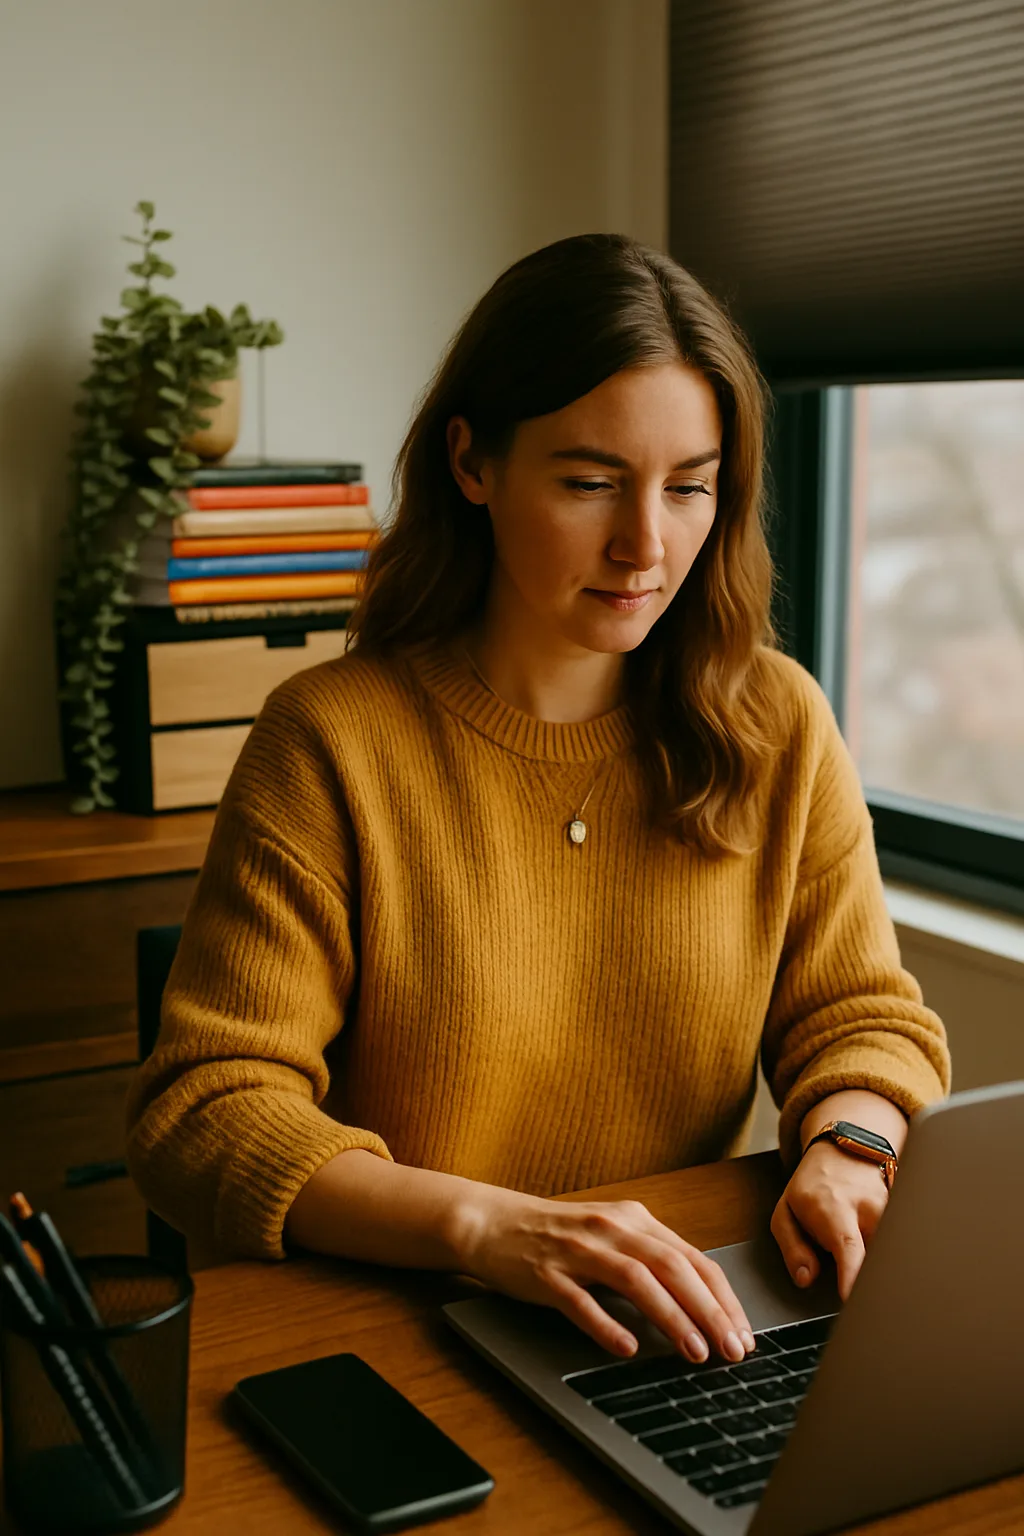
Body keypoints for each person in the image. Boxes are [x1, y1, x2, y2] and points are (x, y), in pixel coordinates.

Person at [125, 233, 950, 1369]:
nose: (643, 546)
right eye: (590, 482)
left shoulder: (776, 725)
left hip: (679, 1324)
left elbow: (860, 1015)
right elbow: (208, 1112)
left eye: (690, 487)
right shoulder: (331, 740)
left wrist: (852, 1148)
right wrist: (487, 1224)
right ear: (472, 463)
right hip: (402, 1326)